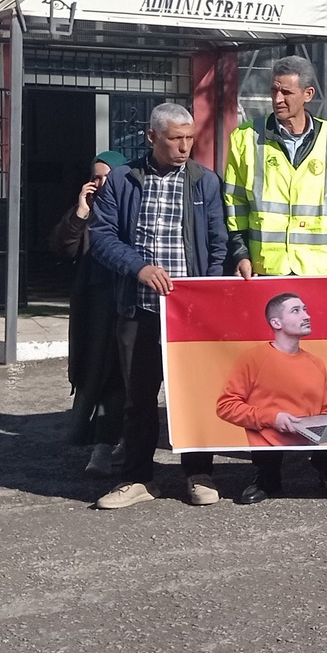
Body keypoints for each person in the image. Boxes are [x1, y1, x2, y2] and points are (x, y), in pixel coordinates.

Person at [222, 54, 327, 500]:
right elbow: (233, 204)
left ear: (308, 95)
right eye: (273, 90)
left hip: (323, 280)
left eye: (286, 91)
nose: (277, 98)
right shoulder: (246, 138)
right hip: (269, 275)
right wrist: (240, 253)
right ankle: (266, 475)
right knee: (265, 385)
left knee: (324, 382)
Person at [83, 104, 241, 510]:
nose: (185, 147)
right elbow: (101, 237)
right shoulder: (122, 181)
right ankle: (138, 478)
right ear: (152, 137)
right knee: (138, 398)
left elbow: (218, 242)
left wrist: (208, 294)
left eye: (190, 138)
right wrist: (138, 268)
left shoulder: (205, 181)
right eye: (175, 139)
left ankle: (198, 474)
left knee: (194, 395)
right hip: (138, 309)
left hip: (190, 315)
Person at [51, 149, 127, 477]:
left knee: (124, 377)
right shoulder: (89, 211)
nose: (98, 183)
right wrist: (81, 211)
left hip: (127, 304)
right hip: (95, 308)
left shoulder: (131, 207)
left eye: (105, 177)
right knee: (96, 372)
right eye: (94, 177)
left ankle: (113, 444)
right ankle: (103, 443)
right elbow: (62, 248)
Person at [216, 293, 327, 450]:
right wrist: (272, 418)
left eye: (305, 309)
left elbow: (325, 415)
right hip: (269, 458)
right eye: (296, 311)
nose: (306, 316)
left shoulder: (317, 363)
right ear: (276, 323)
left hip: (309, 455)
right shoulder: (252, 358)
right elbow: (226, 406)